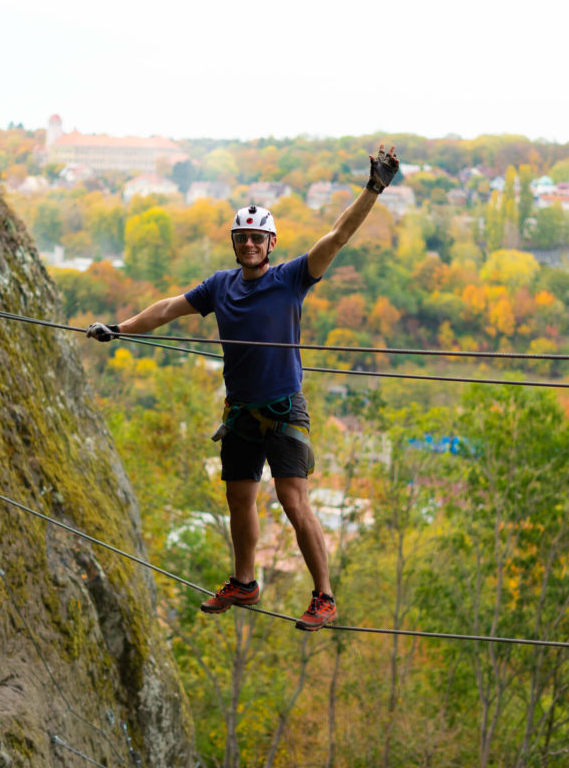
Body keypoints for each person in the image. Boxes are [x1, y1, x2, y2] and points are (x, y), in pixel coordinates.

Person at [87, 145, 399, 630]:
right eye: (243, 238)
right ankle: (245, 582)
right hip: (240, 412)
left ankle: (324, 595)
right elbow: (168, 309)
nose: (250, 244)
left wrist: (374, 188)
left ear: (270, 243)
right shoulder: (219, 286)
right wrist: (120, 330)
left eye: (257, 238)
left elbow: (337, 237)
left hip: (283, 408)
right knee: (239, 498)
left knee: (293, 500)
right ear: (235, 243)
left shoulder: (292, 278)